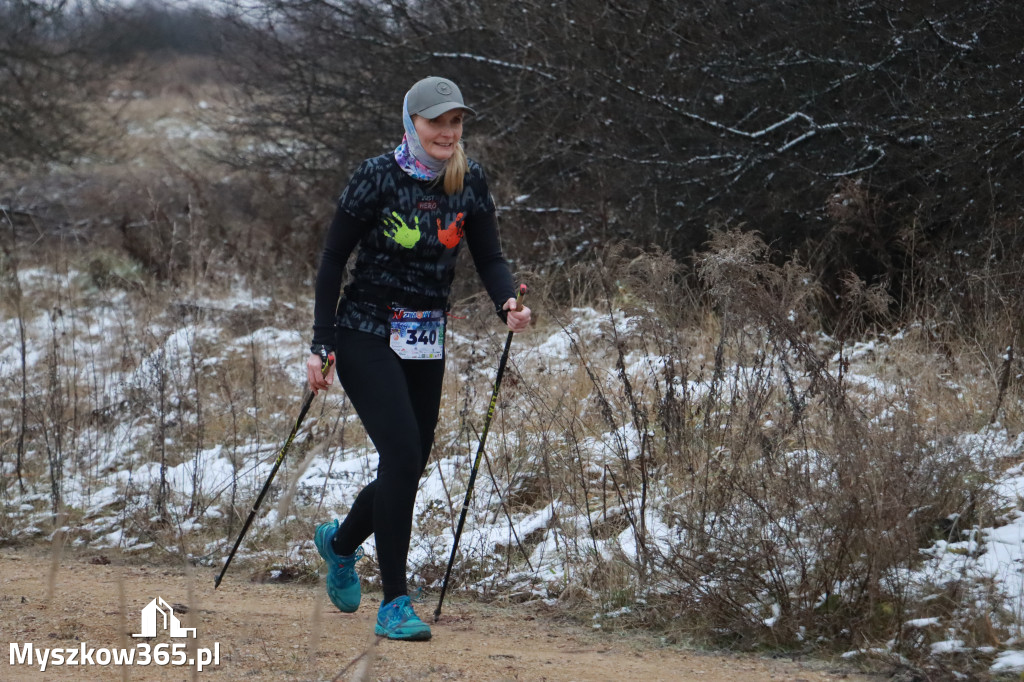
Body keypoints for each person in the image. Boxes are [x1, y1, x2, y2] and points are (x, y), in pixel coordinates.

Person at [306, 76, 531, 641]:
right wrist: (322, 340)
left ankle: (338, 544)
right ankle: (395, 604)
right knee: (402, 452)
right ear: (412, 124)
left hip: (425, 334)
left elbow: (490, 255)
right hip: (365, 329)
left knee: (407, 464)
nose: (448, 132)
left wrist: (508, 301)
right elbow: (333, 258)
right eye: (437, 122)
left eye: (455, 122)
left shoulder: (469, 180)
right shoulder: (376, 176)